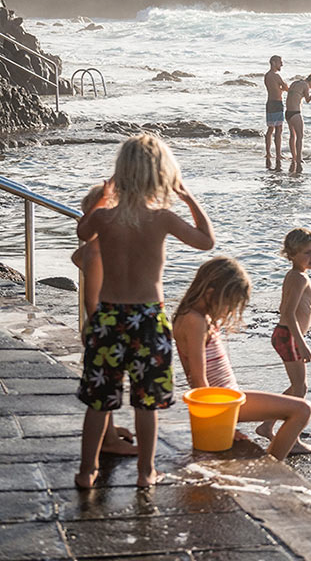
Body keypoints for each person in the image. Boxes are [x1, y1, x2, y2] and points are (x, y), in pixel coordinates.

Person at [74, 133, 215, 489]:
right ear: (160, 175)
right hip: (148, 318)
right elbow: (206, 241)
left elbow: (81, 230)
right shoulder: (163, 218)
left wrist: (101, 200)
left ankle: (87, 472)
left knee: (99, 400)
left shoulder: (104, 218)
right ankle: (145, 473)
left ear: (121, 172)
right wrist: (188, 197)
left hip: (107, 316)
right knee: (146, 402)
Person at [173, 256, 311, 461]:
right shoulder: (194, 321)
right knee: (302, 410)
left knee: (301, 409)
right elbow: (198, 380)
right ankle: (271, 465)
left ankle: (271, 460)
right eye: (228, 303)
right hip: (223, 403)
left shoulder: (196, 316)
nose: (229, 310)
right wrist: (220, 425)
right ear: (212, 292)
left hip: (229, 399)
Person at [71, 184, 136, 457]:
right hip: (104, 327)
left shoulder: (89, 249)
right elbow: (93, 301)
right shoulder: (99, 250)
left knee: (103, 385)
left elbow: (76, 257)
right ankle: (108, 439)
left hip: (96, 325)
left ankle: (109, 430)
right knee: (105, 385)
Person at [256, 228, 311, 453]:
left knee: (297, 386)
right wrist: (301, 342)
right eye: (306, 253)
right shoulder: (298, 278)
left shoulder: (297, 275)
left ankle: (267, 425)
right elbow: (288, 312)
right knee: (300, 388)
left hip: (287, 335)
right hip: (289, 336)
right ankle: (291, 440)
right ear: (291, 255)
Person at [285, 73, 311, 169]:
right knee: (300, 136)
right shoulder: (305, 85)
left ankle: (294, 157)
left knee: (292, 135)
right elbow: (307, 100)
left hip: (287, 113)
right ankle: (299, 158)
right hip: (295, 113)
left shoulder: (295, 83)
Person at [264, 55, 288, 166]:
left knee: (270, 130)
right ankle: (278, 154)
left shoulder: (267, 75)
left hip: (270, 103)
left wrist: (281, 89)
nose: (281, 64)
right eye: (280, 62)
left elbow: (276, 89)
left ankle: (268, 153)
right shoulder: (275, 76)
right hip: (277, 104)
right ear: (273, 63)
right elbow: (286, 88)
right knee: (278, 130)